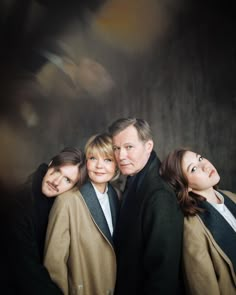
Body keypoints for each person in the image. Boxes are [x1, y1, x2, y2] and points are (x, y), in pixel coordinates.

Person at [108, 117, 184, 295]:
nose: (120, 156)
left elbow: (163, 273)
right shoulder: (136, 177)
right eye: (116, 148)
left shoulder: (159, 193)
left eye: (129, 147)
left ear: (148, 146)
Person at [2, 147, 87, 295]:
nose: (56, 181)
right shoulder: (20, 204)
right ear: (50, 164)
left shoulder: (59, 205)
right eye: (57, 171)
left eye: (67, 180)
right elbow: (26, 271)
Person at [44, 133, 120, 295]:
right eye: (93, 158)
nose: (100, 166)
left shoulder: (116, 196)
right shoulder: (67, 201)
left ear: (116, 166)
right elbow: (54, 263)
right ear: (86, 162)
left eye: (108, 160)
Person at [159, 148, 236, 295]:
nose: (205, 165)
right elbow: (203, 286)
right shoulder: (193, 226)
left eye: (200, 158)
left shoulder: (231, 197)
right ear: (185, 187)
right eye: (193, 169)